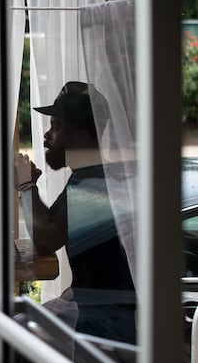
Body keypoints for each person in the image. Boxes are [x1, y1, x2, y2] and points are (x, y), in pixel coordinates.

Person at [15, 81, 137, 345]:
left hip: (107, 320)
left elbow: (46, 239)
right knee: (20, 325)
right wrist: (28, 189)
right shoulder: (88, 178)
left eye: (56, 127)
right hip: (98, 308)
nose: (47, 136)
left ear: (81, 136)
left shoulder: (93, 186)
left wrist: (26, 186)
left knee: (16, 331)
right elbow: (51, 225)